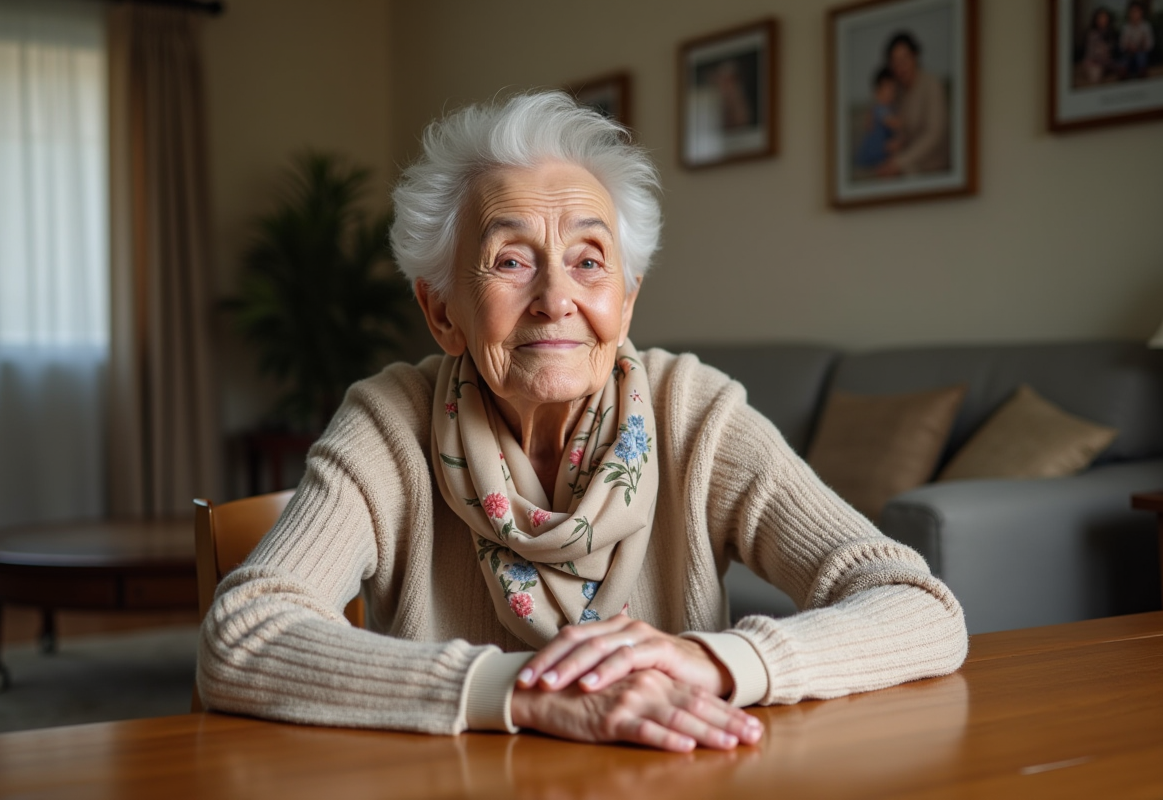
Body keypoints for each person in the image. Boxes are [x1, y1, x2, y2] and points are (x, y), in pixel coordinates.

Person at [197, 91, 968, 753]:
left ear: (625, 302)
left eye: (590, 259)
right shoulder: (390, 423)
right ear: (442, 313)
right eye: (511, 260)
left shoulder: (694, 414)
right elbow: (243, 633)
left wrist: (716, 662)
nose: (556, 298)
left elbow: (917, 603)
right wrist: (524, 693)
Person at [876, 31, 949, 177]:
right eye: (895, 62)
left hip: (935, 169)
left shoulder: (932, 85)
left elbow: (935, 133)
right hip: (908, 171)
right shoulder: (897, 92)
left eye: (904, 59)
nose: (901, 66)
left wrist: (900, 162)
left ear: (915, 56)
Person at [855, 66, 902, 170]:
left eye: (893, 90)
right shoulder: (880, 109)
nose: (891, 94)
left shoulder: (888, 108)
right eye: (887, 89)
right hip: (875, 153)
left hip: (882, 151)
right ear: (877, 92)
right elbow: (893, 123)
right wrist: (904, 120)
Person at [1120, 1, 1155, 80]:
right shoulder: (1126, 28)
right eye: (1132, 12)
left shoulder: (1146, 27)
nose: (1134, 14)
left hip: (1142, 53)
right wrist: (1129, 46)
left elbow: (1150, 44)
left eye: (1136, 11)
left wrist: (1142, 45)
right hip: (1129, 54)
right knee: (1124, 60)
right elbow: (1122, 45)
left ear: (1141, 12)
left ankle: (1142, 76)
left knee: (1141, 56)